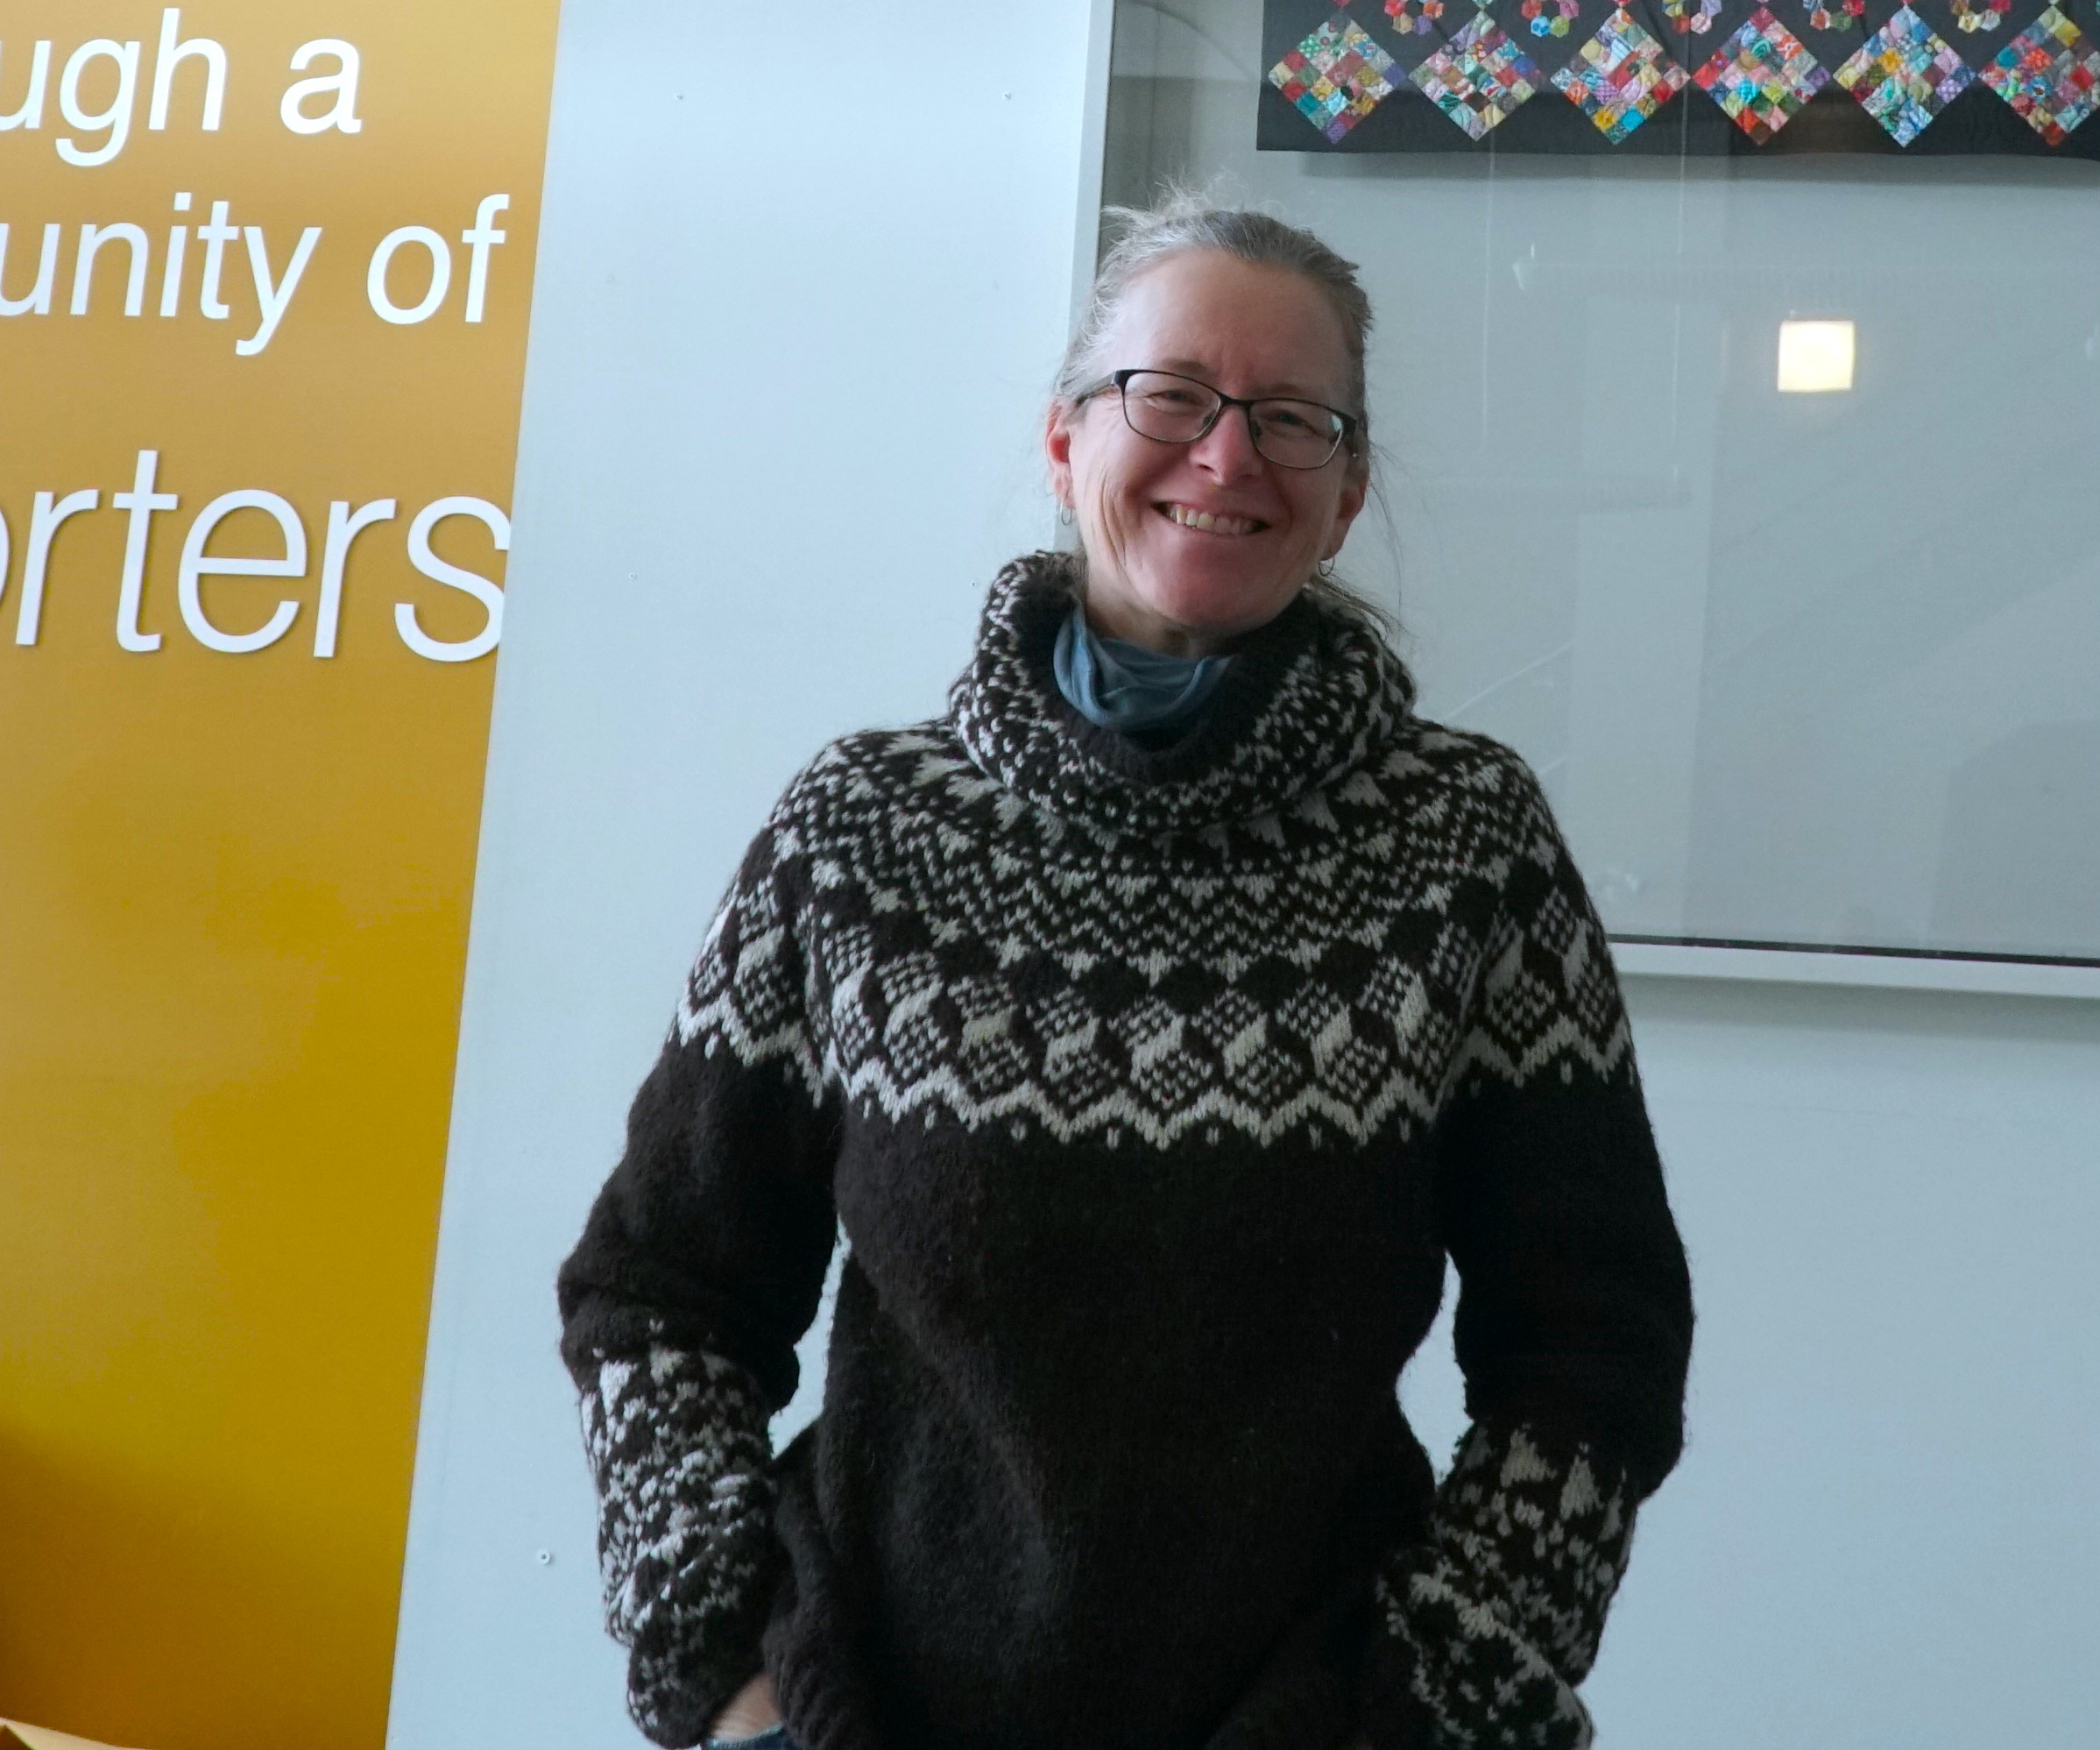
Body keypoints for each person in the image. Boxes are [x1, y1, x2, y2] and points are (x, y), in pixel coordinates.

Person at [556, 197, 1693, 1750]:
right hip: (861, 1715)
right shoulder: (860, 832)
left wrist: (1433, 1703)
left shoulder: (1464, 845)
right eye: (1171, 397)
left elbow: (1594, 1347)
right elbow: (660, 1292)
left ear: (1348, 492)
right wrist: (731, 1689)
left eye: (1293, 419)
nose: (1226, 460)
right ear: (1064, 441)